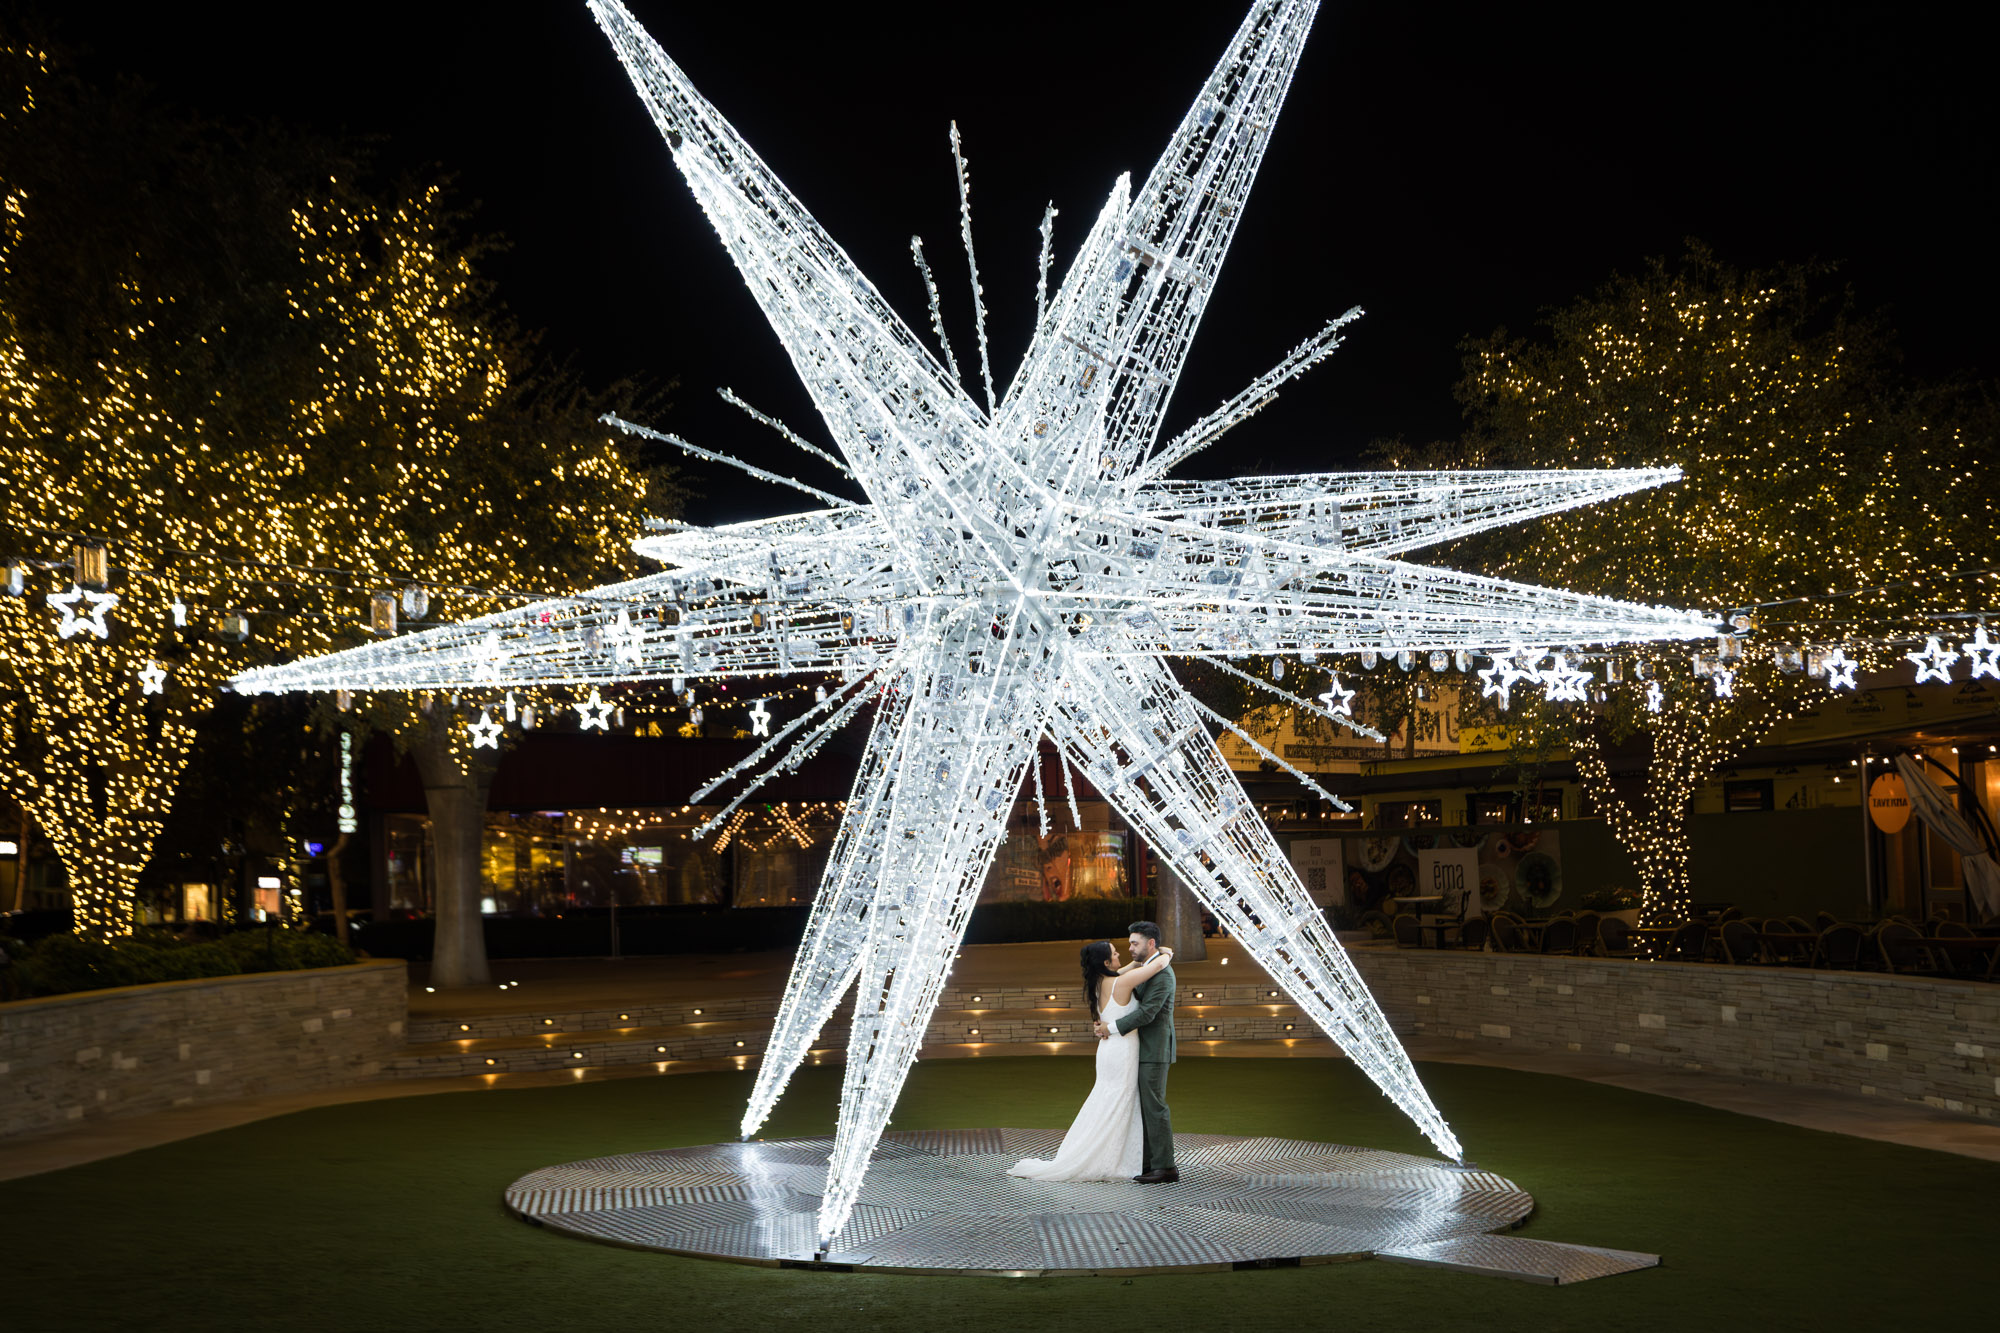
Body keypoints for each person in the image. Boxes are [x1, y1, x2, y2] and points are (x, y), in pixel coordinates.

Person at [1006, 934, 1174, 1183]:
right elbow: (1158, 965)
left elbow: (1130, 967)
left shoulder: (1099, 982)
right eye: (1115, 954)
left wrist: (1136, 961)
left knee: (1106, 1099)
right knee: (1119, 1101)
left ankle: (1106, 1152)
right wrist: (1166, 952)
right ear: (1106, 963)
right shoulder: (1123, 983)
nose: (1121, 955)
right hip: (1123, 1051)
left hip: (1107, 1052)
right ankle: (1118, 1158)